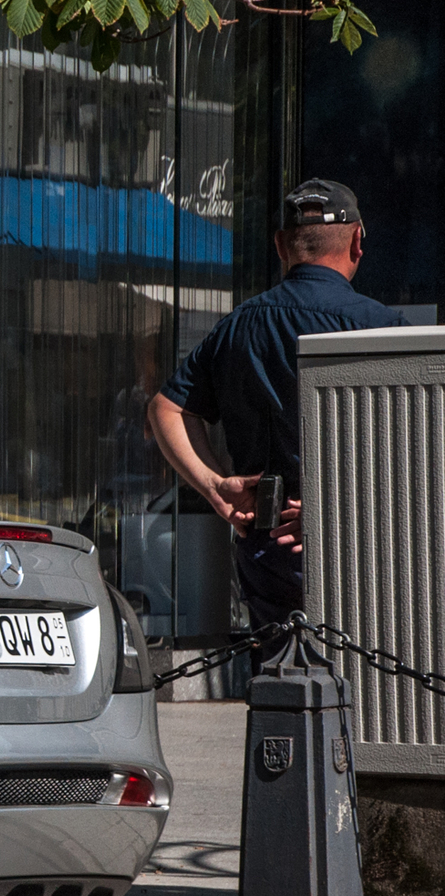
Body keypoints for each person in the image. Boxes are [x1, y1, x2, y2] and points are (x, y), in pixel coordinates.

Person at [148, 179, 403, 621]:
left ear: (280, 245)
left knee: (277, 678)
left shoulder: (236, 327)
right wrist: (338, 510)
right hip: (365, 545)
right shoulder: (383, 329)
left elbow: (166, 408)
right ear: (357, 241)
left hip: (266, 542)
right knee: (372, 680)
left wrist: (215, 488)